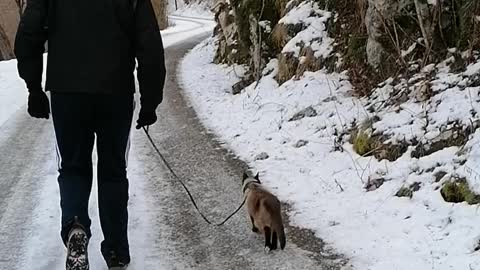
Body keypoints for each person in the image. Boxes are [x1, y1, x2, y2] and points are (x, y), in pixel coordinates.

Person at [14, 0, 166, 269]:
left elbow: (29, 33)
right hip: (116, 92)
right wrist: (150, 99)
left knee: (72, 168)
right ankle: (116, 251)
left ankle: (76, 228)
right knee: (113, 172)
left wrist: (34, 88)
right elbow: (149, 42)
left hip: (67, 91)